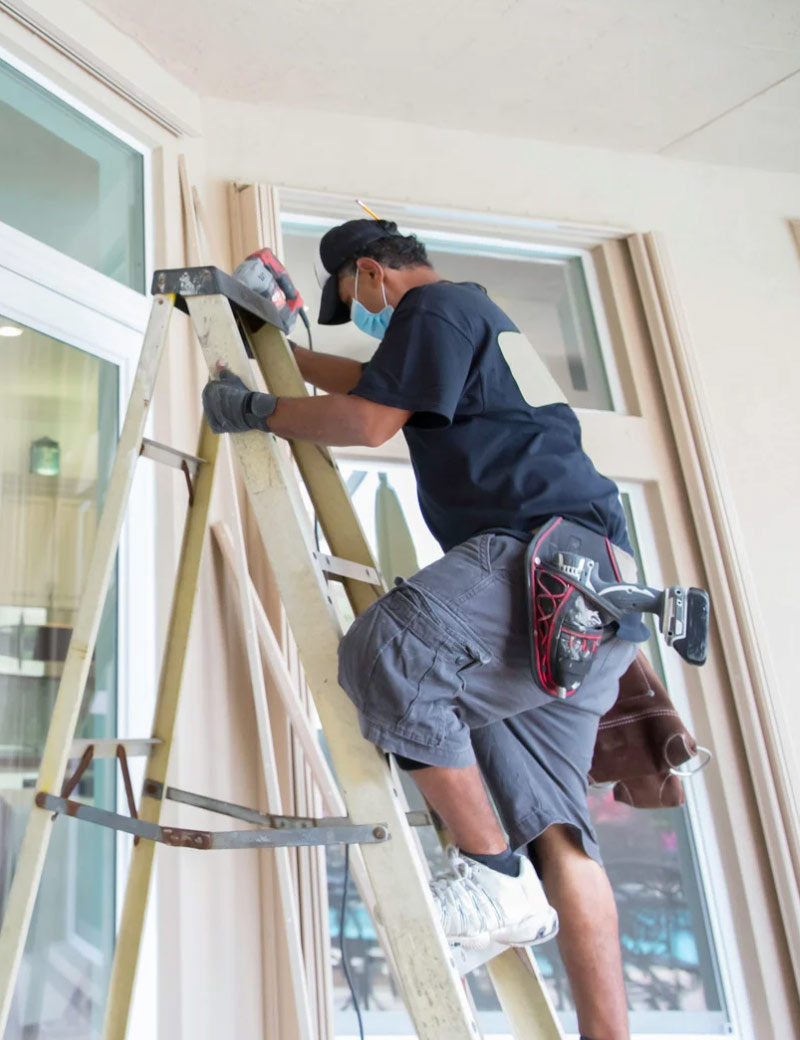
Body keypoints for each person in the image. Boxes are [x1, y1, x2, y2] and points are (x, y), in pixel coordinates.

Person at [202, 218, 647, 1040]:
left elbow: (370, 420)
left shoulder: (435, 308)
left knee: (390, 655)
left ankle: (490, 877)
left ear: (370, 271)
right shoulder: (467, 322)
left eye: (352, 297)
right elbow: (369, 379)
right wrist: (274, 349)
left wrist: (260, 411)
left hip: (539, 565)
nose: (362, 312)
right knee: (560, 837)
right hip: (593, 593)